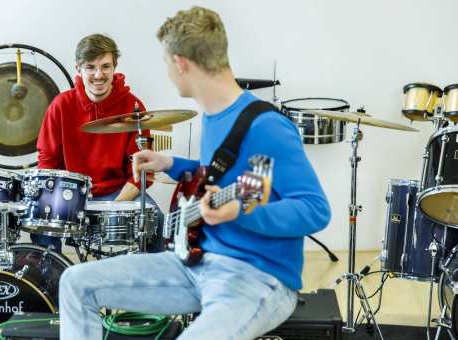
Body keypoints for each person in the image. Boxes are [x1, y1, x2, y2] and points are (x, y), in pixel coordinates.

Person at [58, 6, 331, 340]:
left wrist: (240, 212)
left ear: (181, 64)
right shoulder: (214, 116)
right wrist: (171, 164)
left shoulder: (267, 126)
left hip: (257, 277)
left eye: (165, 63)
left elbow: (313, 209)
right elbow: (221, 177)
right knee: (75, 283)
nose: (168, 73)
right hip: (197, 263)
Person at [35, 33, 162, 253]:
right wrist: (57, 198)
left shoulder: (133, 107)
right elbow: (47, 161)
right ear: (78, 69)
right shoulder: (61, 105)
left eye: (105, 67)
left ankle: (149, 283)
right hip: (71, 194)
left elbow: (142, 172)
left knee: (156, 219)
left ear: (114, 67)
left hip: (117, 191)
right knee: (40, 222)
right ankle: (52, 281)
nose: (98, 75)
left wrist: (116, 206)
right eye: (90, 67)